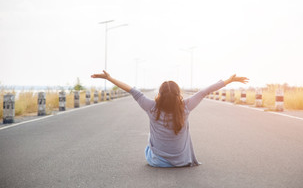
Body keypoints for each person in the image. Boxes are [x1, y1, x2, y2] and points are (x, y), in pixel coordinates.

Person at [91, 70, 249, 168]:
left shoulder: (151, 107)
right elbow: (204, 92)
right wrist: (229, 80)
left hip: (157, 162)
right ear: (178, 94)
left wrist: (109, 78)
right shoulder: (185, 107)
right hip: (182, 161)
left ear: (160, 94)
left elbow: (132, 90)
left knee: (150, 136)